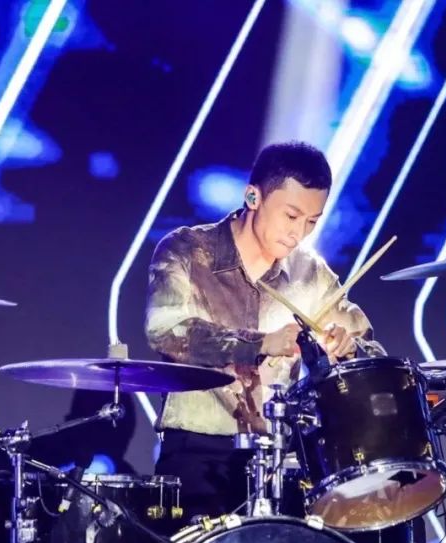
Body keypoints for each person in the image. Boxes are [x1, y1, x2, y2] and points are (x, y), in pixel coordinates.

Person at [145, 141, 380, 519]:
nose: (298, 233)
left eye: (311, 222)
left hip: (277, 458)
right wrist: (260, 343)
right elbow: (167, 331)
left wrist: (347, 348)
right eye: (291, 216)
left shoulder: (310, 273)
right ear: (253, 196)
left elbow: (370, 350)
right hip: (197, 453)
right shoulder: (187, 250)